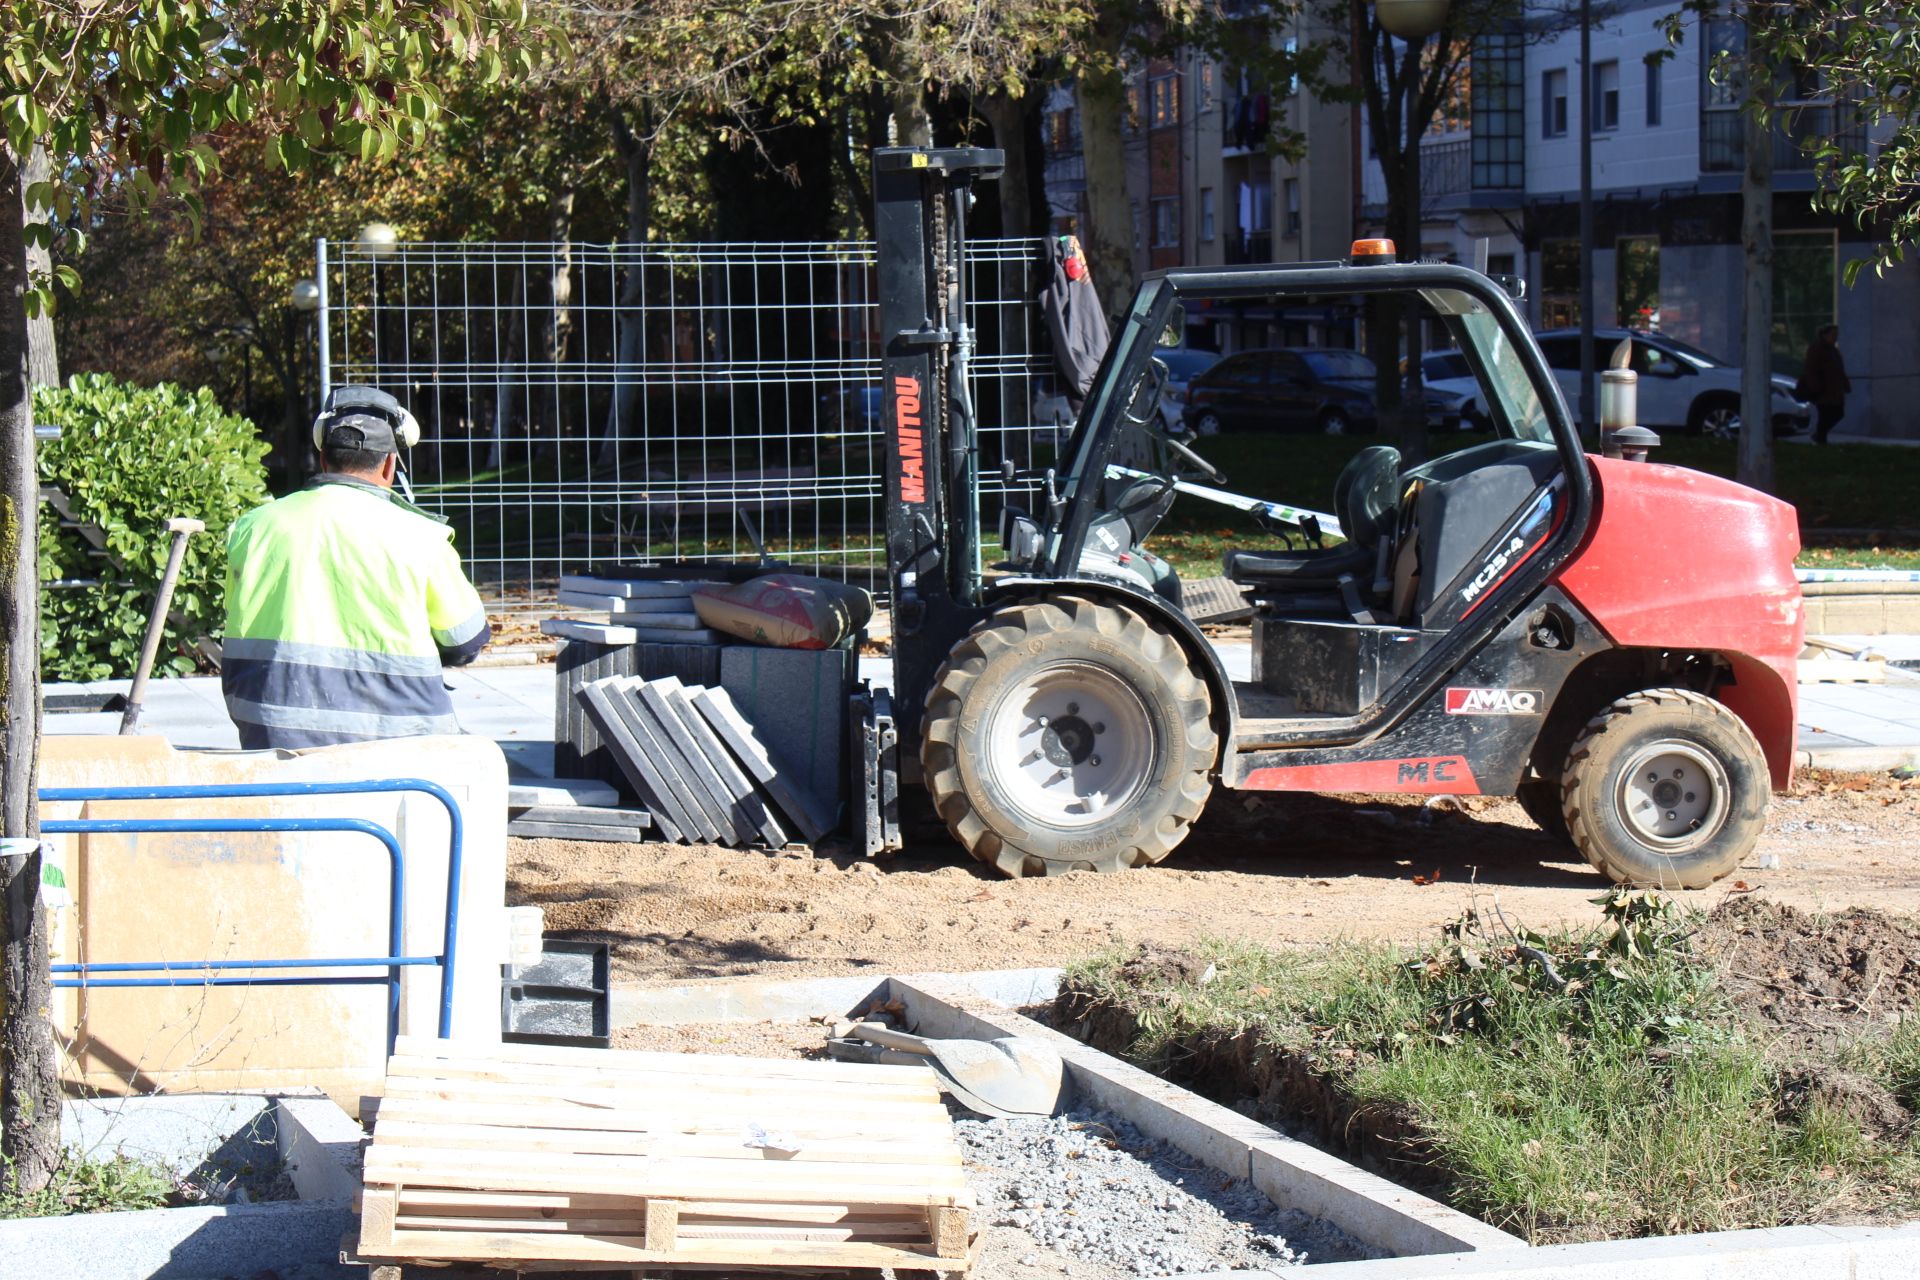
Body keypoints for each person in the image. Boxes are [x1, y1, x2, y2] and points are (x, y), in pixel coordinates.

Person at [222, 387, 490, 749]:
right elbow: (466, 640)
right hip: (399, 748)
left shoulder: (251, 528)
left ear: (323, 459)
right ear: (389, 465)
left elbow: (237, 616)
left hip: (271, 737)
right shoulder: (422, 537)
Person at [1799, 324, 1851, 445]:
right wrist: (1815, 387)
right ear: (1824, 335)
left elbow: (1839, 369)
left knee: (1838, 413)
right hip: (1822, 389)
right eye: (1833, 335)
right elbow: (1811, 369)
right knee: (1825, 415)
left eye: (1836, 335)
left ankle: (1819, 436)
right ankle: (1821, 439)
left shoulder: (1833, 350)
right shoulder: (1817, 348)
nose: (1835, 337)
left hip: (1834, 389)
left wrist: (1845, 384)